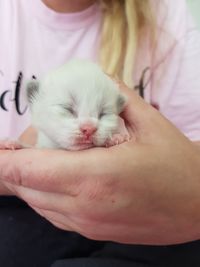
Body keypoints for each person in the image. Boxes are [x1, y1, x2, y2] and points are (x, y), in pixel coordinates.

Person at [0, 0, 200, 266]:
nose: (88, 126)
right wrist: (15, 165)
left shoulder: (165, 14)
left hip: (140, 219)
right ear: (35, 102)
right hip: (28, 215)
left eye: (104, 114)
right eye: (68, 110)